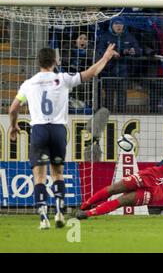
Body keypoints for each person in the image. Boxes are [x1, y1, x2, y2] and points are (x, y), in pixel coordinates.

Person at [8, 44, 119, 230]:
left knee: (39, 178)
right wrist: (106, 57)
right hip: (58, 131)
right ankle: (59, 211)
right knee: (57, 173)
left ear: (38, 63)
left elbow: (13, 108)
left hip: (39, 130)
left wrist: (13, 126)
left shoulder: (28, 83)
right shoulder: (63, 78)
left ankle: (43, 218)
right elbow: (91, 73)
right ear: (56, 61)